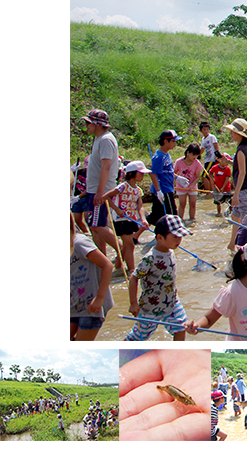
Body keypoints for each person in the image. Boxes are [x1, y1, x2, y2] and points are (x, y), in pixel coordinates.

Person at [125, 215, 191, 341]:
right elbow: (134, 278)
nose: (179, 240)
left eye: (180, 236)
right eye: (175, 237)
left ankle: (175, 358)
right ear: (160, 238)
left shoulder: (171, 252)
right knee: (137, 338)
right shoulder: (150, 258)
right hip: (151, 306)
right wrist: (133, 303)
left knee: (181, 328)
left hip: (171, 302)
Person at [80, 109, 120, 256]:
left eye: (88, 123)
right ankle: (102, 260)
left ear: (97, 124)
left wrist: (100, 192)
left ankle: (121, 249)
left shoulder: (105, 140)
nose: (86, 125)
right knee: (94, 226)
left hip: (101, 190)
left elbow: (106, 166)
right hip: (94, 189)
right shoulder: (99, 139)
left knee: (96, 225)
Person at [100, 160, 150, 273]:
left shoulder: (138, 190)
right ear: (132, 173)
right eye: (140, 173)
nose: (143, 175)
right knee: (130, 245)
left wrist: (143, 220)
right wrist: (116, 209)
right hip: (120, 220)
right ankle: (132, 271)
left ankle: (118, 266)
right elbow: (106, 196)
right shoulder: (122, 187)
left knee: (127, 246)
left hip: (130, 220)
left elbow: (140, 207)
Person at [70, 218, 114, 341]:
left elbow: (107, 265)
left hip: (92, 305)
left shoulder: (79, 242)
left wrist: (99, 298)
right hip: (73, 304)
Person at [225, 118, 247, 251]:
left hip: (244, 189)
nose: (231, 134)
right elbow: (241, 167)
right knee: (235, 216)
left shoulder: (241, 150)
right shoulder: (245, 147)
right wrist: (228, 162)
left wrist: (236, 194)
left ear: (239, 134)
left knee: (245, 220)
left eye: (232, 132)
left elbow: (242, 172)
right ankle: (232, 244)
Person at [148, 129, 182, 225]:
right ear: (165, 141)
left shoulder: (167, 154)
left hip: (168, 188)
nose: (175, 144)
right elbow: (153, 173)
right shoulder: (159, 157)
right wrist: (158, 191)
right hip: (163, 190)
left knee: (156, 217)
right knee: (172, 216)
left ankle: (136, 236)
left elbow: (168, 171)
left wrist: (178, 178)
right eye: (173, 141)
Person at [174, 143, 203, 221]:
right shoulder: (179, 162)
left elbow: (197, 177)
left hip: (192, 186)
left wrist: (191, 186)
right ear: (188, 153)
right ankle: (180, 220)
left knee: (193, 204)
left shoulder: (197, 163)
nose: (195, 157)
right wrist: (177, 179)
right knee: (182, 204)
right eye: (193, 155)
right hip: (181, 186)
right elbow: (173, 173)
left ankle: (192, 219)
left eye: (197, 155)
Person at [210, 151, 232, 217]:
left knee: (229, 201)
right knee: (218, 201)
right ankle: (219, 213)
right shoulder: (215, 167)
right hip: (217, 187)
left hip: (226, 188)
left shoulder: (228, 169)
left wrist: (223, 188)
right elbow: (210, 172)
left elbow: (226, 179)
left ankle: (230, 213)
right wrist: (212, 180)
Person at [199, 122, 219, 191]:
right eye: (204, 129)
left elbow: (216, 145)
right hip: (207, 159)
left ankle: (209, 192)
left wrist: (217, 155)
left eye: (207, 129)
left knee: (205, 176)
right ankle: (211, 191)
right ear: (201, 131)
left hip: (212, 159)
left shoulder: (211, 137)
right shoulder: (203, 139)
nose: (206, 131)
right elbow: (202, 149)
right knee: (208, 175)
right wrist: (198, 155)